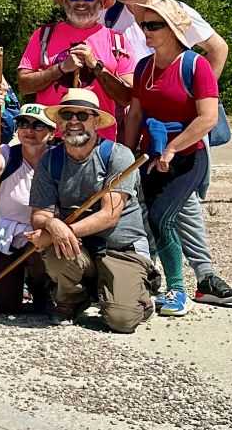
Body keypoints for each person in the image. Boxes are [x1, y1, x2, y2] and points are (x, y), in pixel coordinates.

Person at [107, 0, 232, 307]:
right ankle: (154, 276)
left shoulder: (176, 12)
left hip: (185, 137)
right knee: (150, 207)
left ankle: (200, 277)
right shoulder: (112, 18)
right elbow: (134, 100)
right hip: (145, 135)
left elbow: (218, 48)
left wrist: (196, 94)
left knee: (182, 208)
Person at [121, 0, 222, 318]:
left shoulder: (196, 65)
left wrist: (173, 148)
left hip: (189, 156)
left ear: (175, 30)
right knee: (147, 220)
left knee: (160, 217)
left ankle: (177, 290)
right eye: (143, 25)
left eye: (153, 25)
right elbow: (135, 112)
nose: (144, 30)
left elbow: (207, 118)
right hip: (153, 156)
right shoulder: (143, 67)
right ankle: (150, 281)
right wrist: (126, 155)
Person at [31, 88, 152, 335]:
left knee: (121, 321)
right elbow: (39, 215)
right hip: (79, 248)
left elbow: (110, 215)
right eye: (67, 114)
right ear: (58, 122)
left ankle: (137, 294)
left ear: (96, 121)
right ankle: (73, 299)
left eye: (82, 115)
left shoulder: (117, 155)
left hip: (120, 249)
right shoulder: (49, 161)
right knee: (55, 251)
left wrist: (63, 230)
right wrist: (53, 227)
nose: (73, 121)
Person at [0, 97, 58, 316]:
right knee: (3, 305)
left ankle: (43, 291)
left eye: (38, 125)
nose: (29, 130)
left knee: (42, 252)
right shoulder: (9, 154)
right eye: (23, 123)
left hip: (41, 235)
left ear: (52, 132)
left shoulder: (58, 159)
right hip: (4, 233)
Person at [17, 0, 135, 132]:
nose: (81, 2)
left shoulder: (117, 41)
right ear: (65, 1)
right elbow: (24, 86)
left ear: (101, 2)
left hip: (98, 142)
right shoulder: (43, 35)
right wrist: (61, 68)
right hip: (50, 139)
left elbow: (127, 97)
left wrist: (95, 66)